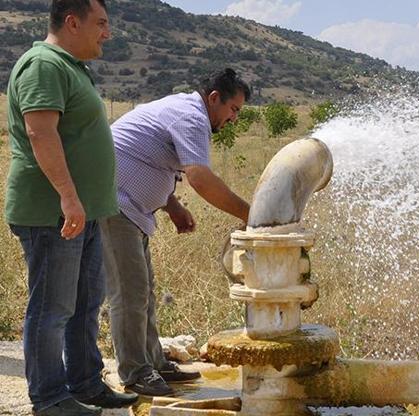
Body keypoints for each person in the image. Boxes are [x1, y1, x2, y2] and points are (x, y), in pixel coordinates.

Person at [4, 1, 139, 415]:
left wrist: (84, 203)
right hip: (54, 213)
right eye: (100, 24)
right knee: (52, 308)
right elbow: (40, 133)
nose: (107, 33)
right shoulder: (44, 64)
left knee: (84, 304)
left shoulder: (71, 67)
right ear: (71, 22)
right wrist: (68, 196)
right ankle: (49, 399)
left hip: (84, 212)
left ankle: (85, 384)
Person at [100, 68, 251, 396]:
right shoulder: (192, 117)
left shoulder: (186, 110)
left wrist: (171, 205)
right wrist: (252, 214)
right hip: (113, 205)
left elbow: (148, 157)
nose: (234, 118)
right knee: (130, 293)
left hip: (130, 209)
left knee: (144, 292)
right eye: (234, 109)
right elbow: (199, 177)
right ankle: (136, 373)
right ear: (214, 98)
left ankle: (154, 363)